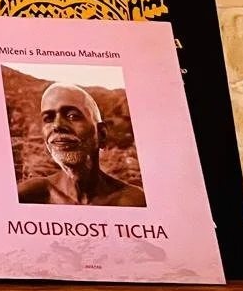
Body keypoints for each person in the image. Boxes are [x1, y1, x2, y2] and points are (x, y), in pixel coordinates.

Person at [16, 82, 146, 207]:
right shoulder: (30, 196)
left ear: (102, 134)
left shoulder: (133, 201)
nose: (57, 126)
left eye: (72, 116)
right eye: (48, 118)